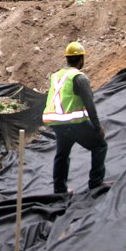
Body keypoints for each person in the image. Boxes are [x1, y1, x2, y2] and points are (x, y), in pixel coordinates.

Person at [42, 41, 107, 194]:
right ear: (81, 59)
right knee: (100, 145)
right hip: (74, 122)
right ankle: (96, 182)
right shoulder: (79, 77)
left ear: (67, 59)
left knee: (62, 154)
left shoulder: (56, 75)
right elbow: (89, 105)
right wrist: (98, 127)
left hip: (56, 122)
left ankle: (59, 189)